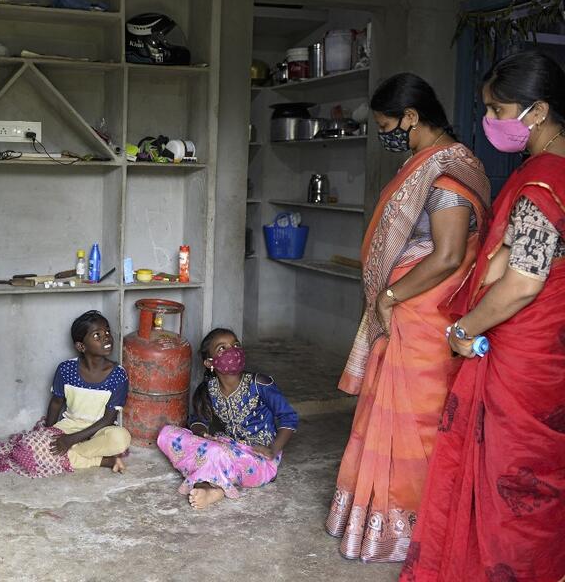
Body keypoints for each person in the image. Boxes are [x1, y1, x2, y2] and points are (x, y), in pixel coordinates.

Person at [401, 50, 565, 582]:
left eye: (498, 110)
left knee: (512, 479)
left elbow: (522, 283)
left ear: (537, 113)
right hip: (552, 345)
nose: (489, 122)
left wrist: (462, 329)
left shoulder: (543, 180)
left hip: (526, 353)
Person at [325, 73, 492, 562]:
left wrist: (392, 293)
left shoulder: (446, 175)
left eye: (386, 124)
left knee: (416, 423)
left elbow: (447, 255)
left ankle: (413, 526)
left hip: (425, 314)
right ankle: (378, 520)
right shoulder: (427, 165)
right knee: (387, 414)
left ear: (412, 118)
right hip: (410, 309)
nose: (386, 134)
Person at [157, 328, 298, 509]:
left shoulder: (260, 383)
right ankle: (214, 482)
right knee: (168, 434)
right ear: (209, 363)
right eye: (222, 348)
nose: (232, 350)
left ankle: (210, 488)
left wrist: (273, 449)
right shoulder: (209, 389)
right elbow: (198, 420)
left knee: (215, 453)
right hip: (227, 445)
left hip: (258, 458)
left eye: (235, 345)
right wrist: (202, 434)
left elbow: (288, 417)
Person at [45, 310, 131, 472]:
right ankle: (104, 461)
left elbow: (108, 419)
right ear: (81, 346)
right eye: (97, 335)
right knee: (42, 448)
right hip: (71, 426)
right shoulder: (66, 370)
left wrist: (70, 441)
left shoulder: (118, 375)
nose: (106, 337)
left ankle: (74, 454)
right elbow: (56, 403)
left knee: (121, 438)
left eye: (107, 332)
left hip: (100, 430)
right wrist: (47, 433)